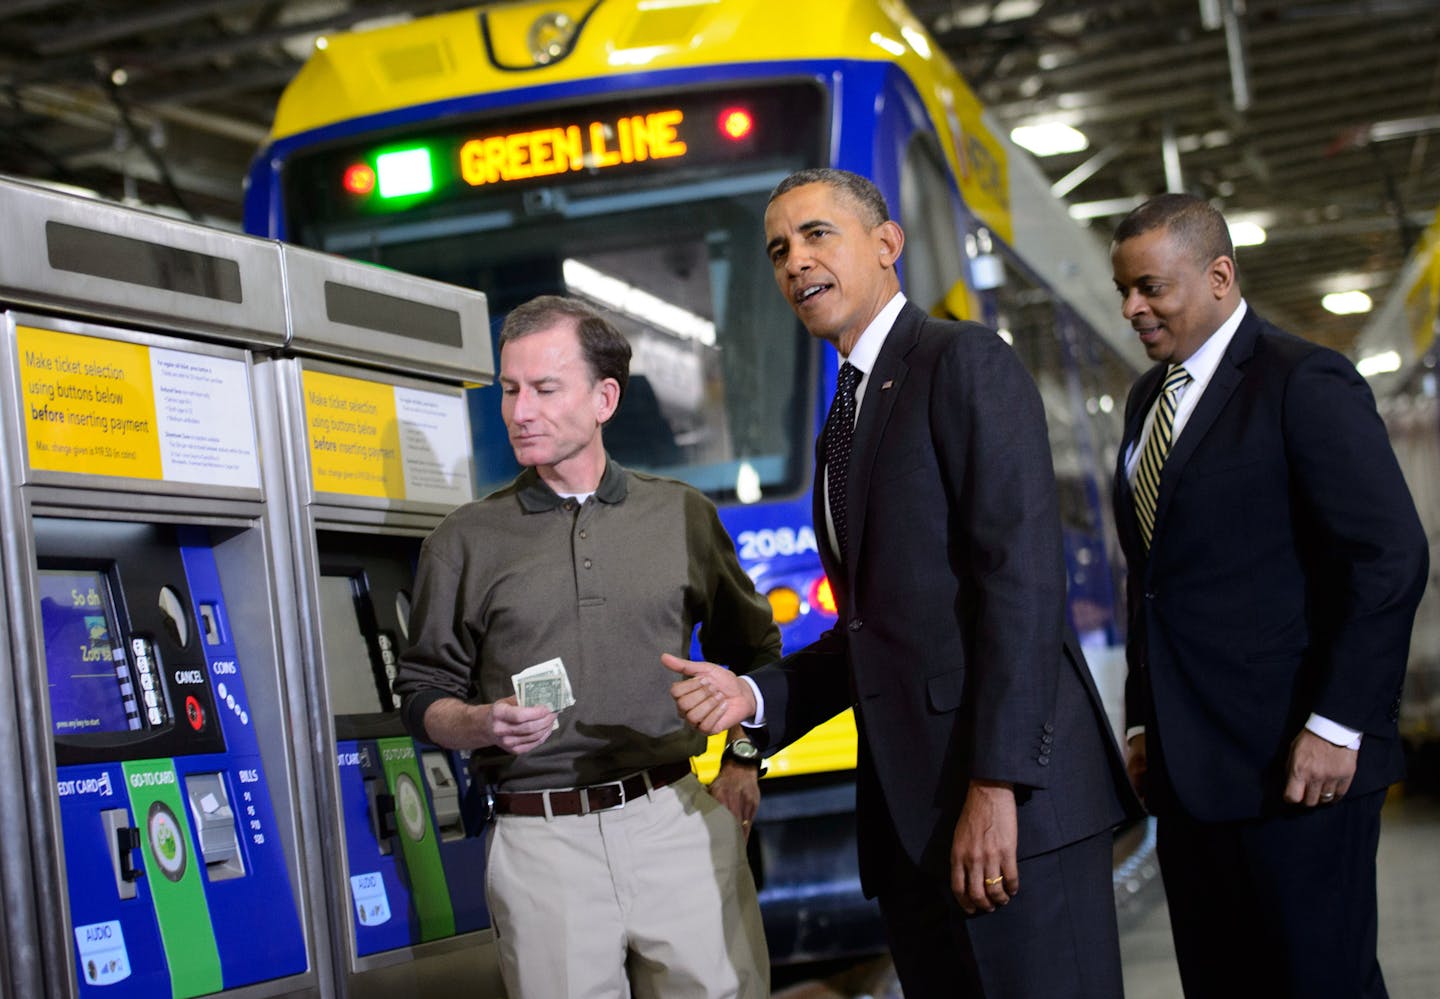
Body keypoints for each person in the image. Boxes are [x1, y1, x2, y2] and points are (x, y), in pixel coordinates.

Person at [664, 168, 1138, 998]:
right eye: (778, 249)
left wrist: (998, 788)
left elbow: (1021, 587)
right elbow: (876, 634)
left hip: (1007, 811)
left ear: (887, 245)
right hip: (916, 830)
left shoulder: (962, 363)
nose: (795, 262)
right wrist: (753, 704)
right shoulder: (845, 417)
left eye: (817, 235)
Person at [392, 295, 778, 998]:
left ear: (605, 397)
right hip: (541, 843)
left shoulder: (683, 515)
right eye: (509, 389)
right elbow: (420, 696)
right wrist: (479, 723)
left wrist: (744, 762)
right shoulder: (463, 540)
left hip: (676, 821)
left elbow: (757, 654)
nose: (519, 411)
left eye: (543, 388)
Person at [1109, 193, 1428, 998]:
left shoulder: (1304, 380)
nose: (1132, 308)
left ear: (1219, 275)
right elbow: (1152, 582)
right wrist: (1144, 719)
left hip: (1297, 766)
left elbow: (1388, 556)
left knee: (1320, 982)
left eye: (1150, 287)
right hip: (1188, 777)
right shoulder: (1148, 403)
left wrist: (1336, 722)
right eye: (1125, 290)